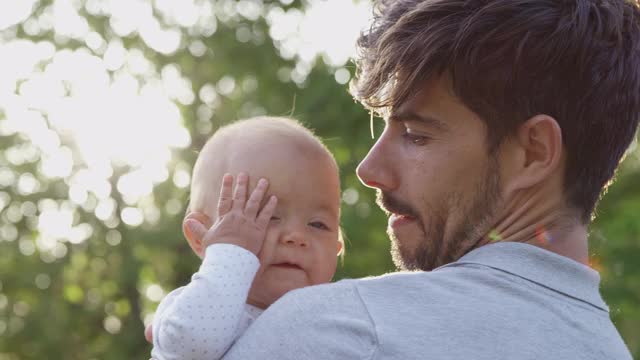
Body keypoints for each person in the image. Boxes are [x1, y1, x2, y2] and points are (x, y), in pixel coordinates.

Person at [185, 0, 640, 359]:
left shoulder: (340, 331)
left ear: (534, 152)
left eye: (417, 135)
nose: (368, 170)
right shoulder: (608, 349)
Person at [147, 116, 343, 360]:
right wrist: (230, 256)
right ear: (200, 235)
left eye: (318, 224)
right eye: (264, 216)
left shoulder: (339, 319)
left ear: (337, 247)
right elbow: (194, 346)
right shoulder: (190, 307)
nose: (296, 236)